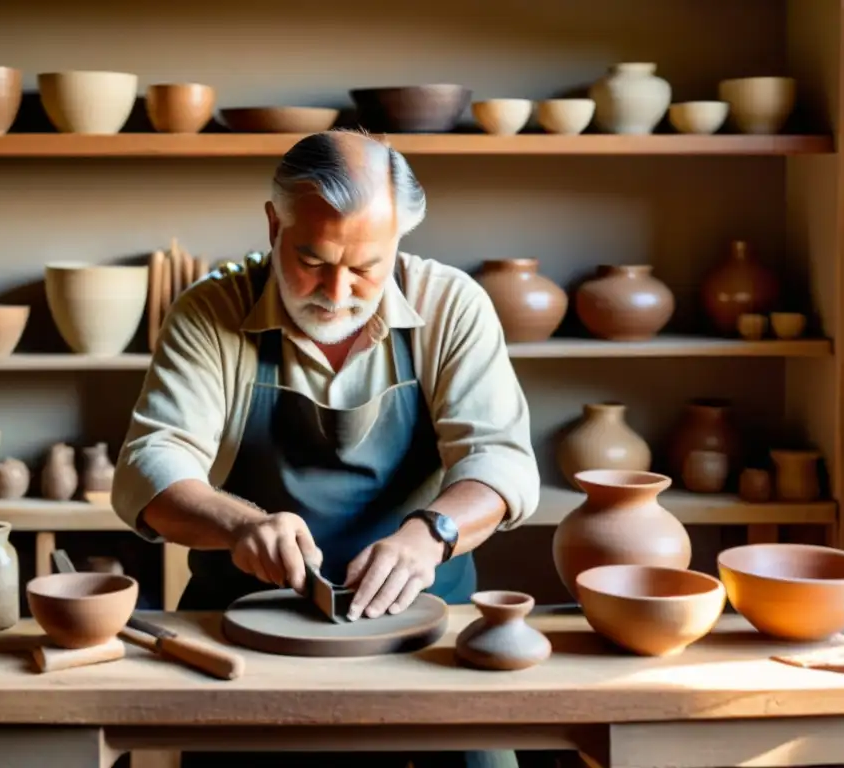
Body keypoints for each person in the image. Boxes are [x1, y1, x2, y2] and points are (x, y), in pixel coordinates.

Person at [112, 128, 540, 768]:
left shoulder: (451, 306)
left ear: (398, 240)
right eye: (312, 261)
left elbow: (500, 460)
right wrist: (241, 524)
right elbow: (151, 465)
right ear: (272, 224)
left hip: (425, 631)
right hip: (250, 632)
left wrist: (431, 533)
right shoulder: (210, 311)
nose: (335, 293)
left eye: (365, 268)